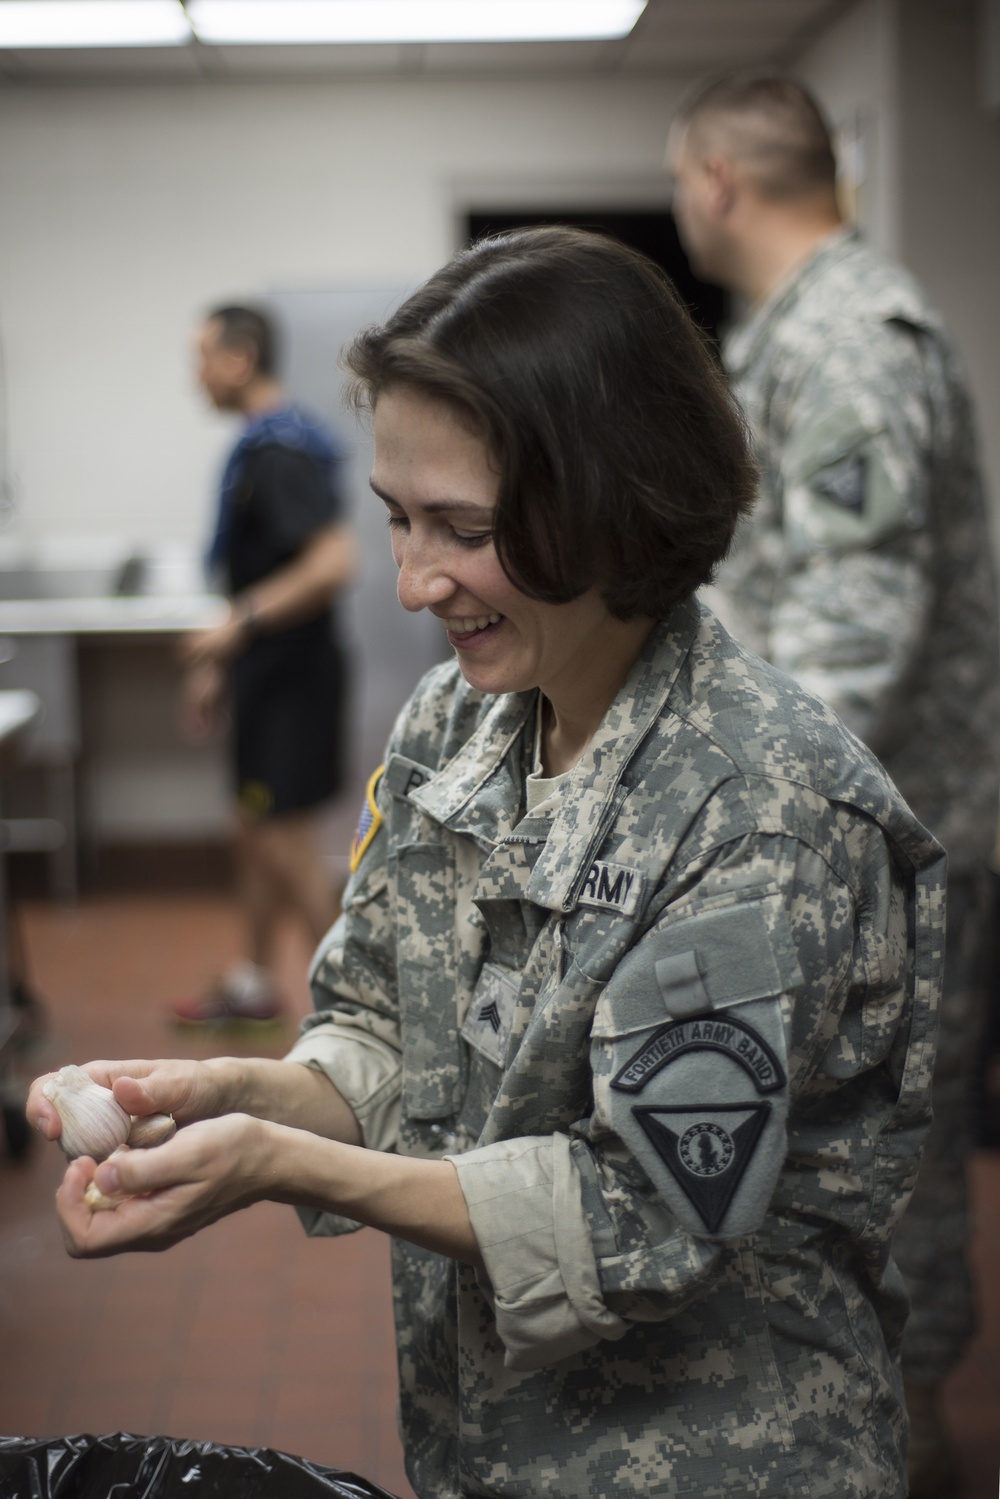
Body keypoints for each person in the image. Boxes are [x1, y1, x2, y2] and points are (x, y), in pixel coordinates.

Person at [30, 228, 945, 1499]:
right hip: (489, 1445)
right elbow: (380, 1030)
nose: (412, 582)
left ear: (611, 500)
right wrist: (234, 1096)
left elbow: (644, 1215)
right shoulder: (455, 725)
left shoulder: (761, 810)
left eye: (462, 528)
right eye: (399, 520)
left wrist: (276, 1163)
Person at [667, 73, 1000, 1499]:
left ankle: (912, 1438)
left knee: (889, 1158)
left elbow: (862, 622)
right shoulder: (794, 337)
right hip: (844, 824)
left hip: (881, 837)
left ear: (716, 179)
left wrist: (760, 811)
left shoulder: (852, 339)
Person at [176, 305, 359, 1023]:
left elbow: (334, 561)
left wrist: (236, 626)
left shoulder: (279, 452)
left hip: (294, 680)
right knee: (251, 832)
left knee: (285, 846)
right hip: (266, 673)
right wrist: (223, 661)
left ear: (240, 358)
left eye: (201, 356)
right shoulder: (259, 447)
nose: (194, 373)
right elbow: (261, 569)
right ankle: (254, 983)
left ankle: (362, 1008)